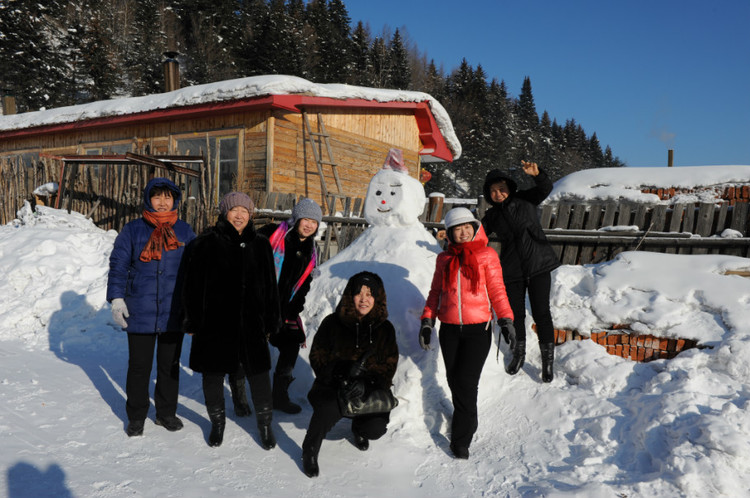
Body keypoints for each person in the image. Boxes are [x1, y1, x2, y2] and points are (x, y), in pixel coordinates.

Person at [182, 192, 281, 449]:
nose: (239, 215)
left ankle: (265, 426)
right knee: (213, 375)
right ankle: (217, 424)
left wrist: (271, 320)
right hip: (214, 324)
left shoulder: (261, 245)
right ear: (225, 213)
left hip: (251, 324)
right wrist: (192, 321)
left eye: (244, 211)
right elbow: (191, 286)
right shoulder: (205, 243)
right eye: (234, 210)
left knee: (259, 375)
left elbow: (270, 286)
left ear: (251, 216)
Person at [419, 207, 514, 460]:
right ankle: (467, 420)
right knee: (453, 380)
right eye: (457, 229)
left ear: (475, 228)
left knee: (466, 383)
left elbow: (497, 290)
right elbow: (435, 293)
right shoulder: (444, 259)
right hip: (449, 329)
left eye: (467, 227)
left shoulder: (487, 255)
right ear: (449, 233)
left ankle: (462, 439)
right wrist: (427, 321)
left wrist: (506, 319)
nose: (463, 232)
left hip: (477, 330)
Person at [106, 177, 196, 437]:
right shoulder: (133, 230)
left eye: (167, 197)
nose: (162, 202)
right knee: (139, 366)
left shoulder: (184, 232)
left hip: (173, 310)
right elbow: (119, 265)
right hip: (140, 308)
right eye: (157, 196)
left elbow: (196, 269)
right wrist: (116, 297)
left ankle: (166, 413)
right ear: (148, 199)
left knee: (169, 365)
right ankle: (136, 416)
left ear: (175, 200)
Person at [222, 197, 322, 416]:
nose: (309, 225)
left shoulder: (311, 251)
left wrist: (292, 310)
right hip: (256, 305)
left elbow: (304, 285)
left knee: (292, 342)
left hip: (284, 310)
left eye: (314, 222)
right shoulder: (272, 234)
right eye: (305, 219)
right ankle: (239, 398)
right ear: (296, 219)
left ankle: (279, 396)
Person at [301, 272, 399, 478]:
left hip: (367, 389)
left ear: (378, 298)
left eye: (370, 294)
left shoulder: (385, 329)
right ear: (349, 295)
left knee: (375, 428)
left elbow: (389, 366)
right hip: (334, 386)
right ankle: (310, 449)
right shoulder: (332, 323)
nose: (364, 299)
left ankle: (358, 428)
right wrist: (342, 372)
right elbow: (317, 356)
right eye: (359, 293)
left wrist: (367, 384)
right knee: (327, 409)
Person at [481, 161, 560, 382]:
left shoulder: (526, 199)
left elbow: (545, 188)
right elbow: (476, 233)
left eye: (501, 189)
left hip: (538, 264)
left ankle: (547, 362)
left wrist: (538, 174)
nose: (498, 194)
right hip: (512, 269)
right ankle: (519, 353)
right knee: (515, 315)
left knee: (541, 313)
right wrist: (449, 235)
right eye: (493, 191)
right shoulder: (492, 216)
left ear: (509, 188)